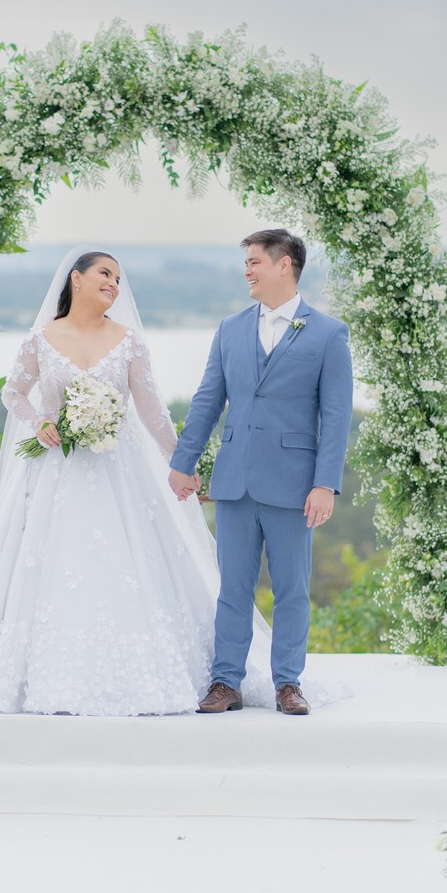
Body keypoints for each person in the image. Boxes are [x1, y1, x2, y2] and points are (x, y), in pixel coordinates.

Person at [0, 246, 272, 715]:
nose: (113, 283)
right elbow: (12, 393)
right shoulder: (42, 338)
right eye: (105, 273)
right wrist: (39, 422)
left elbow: (151, 413)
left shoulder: (128, 341)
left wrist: (182, 463)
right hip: (54, 471)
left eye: (118, 278)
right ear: (76, 279)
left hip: (119, 474)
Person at [169, 229, 353, 715]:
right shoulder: (230, 328)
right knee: (232, 587)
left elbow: (336, 415)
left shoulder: (329, 333)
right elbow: (208, 399)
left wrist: (325, 483)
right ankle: (225, 682)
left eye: (254, 262)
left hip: (296, 485)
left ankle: (288, 684)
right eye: (245, 262)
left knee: (292, 588)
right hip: (234, 481)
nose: (246, 270)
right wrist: (182, 462)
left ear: (285, 264)